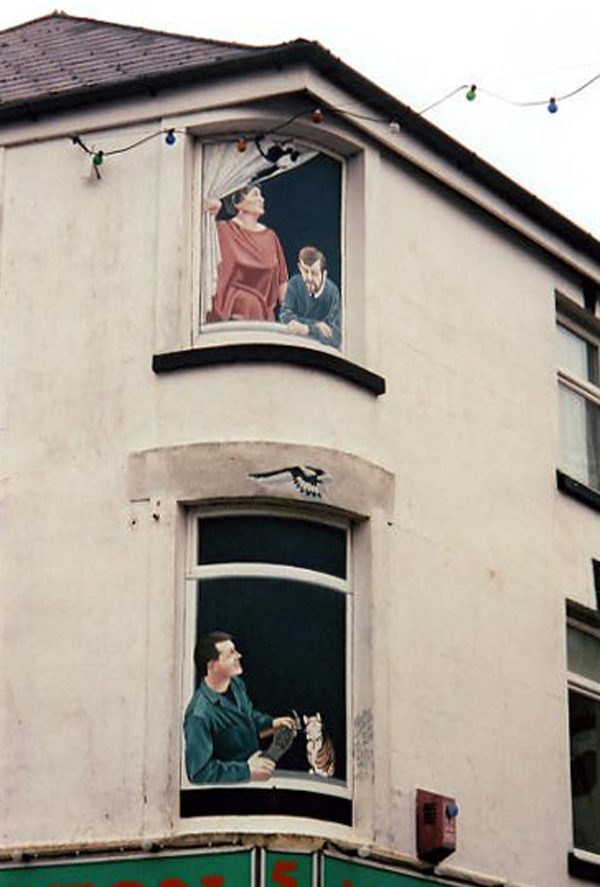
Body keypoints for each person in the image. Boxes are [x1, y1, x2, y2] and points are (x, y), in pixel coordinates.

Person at [184, 631, 295, 784]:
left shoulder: (236, 685)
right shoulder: (198, 715)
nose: (239, 655)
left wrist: (271, 723)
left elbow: (246, 717)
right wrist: (247, 771)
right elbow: (199, 773)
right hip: (232, 790)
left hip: (256, 778)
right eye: (231, 653)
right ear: (212, 665)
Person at [205, 185, 288, 323]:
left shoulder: (270, 237)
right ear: (237, 202)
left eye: (261, 195)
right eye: (255, 195)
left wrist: (291, 316)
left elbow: (282, 282)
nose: (262, 199)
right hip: (227, 318)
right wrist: (211, 213)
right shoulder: (222, 230)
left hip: (263, 321)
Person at [280, 246, 341, 348]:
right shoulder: (294, 284)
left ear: (324, 274)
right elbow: (285, 316)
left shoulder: (332, 293)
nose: (309, 278)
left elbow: (335, 336)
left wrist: (307, 329)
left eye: (314, 273)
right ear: (300, 267)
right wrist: (315, 326)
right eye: (305, 271)